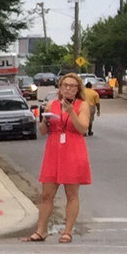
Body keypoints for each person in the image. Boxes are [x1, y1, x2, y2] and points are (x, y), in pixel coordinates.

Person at [29, 71, 94, 244]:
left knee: (71, 194)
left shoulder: (82, 105)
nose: (68, 89)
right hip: (54, 149)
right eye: (65, 85)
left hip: (73, 149)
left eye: (72, 86)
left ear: (77, 89)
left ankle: (67, 231)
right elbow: (43, 131)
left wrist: (71, 112)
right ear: (60, 87)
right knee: (46, 194)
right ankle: (41, 230)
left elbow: (82, 128)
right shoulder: (52, 104)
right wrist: (44, 120)